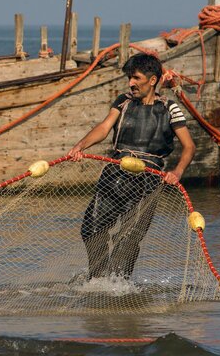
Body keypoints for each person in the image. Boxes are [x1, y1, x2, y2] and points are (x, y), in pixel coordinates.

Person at [67, 53, 196, 280]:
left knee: (128, 237)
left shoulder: (170, 108)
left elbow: (189, 147)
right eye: (129, 78)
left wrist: (177, 172)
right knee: (91, 229)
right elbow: (104, 127)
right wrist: (81, 145)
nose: (131, 83)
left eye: (136, 78)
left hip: (148, 179)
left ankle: (119, 285)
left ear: (153, 80)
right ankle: (97, 280)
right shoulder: (123, 101)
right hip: (115, 173)